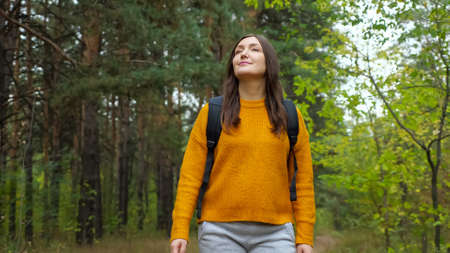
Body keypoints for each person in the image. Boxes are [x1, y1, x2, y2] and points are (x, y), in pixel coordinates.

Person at [170, 34, 315, 253]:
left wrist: (304, 236)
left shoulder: (290, 116)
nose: (244, 54)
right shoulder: (212, 113)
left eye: (254, 49)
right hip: (219, 232)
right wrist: (180, 229)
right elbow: (190, 176)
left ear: (269, 62)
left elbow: (303, 182)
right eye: (238, 51)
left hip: (276, 234)